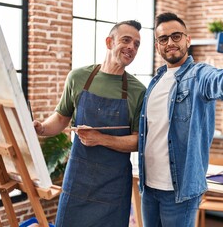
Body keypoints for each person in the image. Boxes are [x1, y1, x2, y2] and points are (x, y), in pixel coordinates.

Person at [137, 12, 223, 227]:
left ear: (187, 39)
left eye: (176, 36)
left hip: (179, 191)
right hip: (149, 187)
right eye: (163, 39)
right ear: (157, 46)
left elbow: (221, 82)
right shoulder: (155, 82)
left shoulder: (198, 74)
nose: (170, 43)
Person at [33, 20, 146, 227]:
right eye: (126, 40)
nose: (132, 47)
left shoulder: (138, 91)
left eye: (136, 44)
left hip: (113, 187)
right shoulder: (78, 77)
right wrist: (41, 128)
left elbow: (138, 142)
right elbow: (60, 118)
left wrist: (101, 139)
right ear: (109, 42)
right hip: (78, 181)